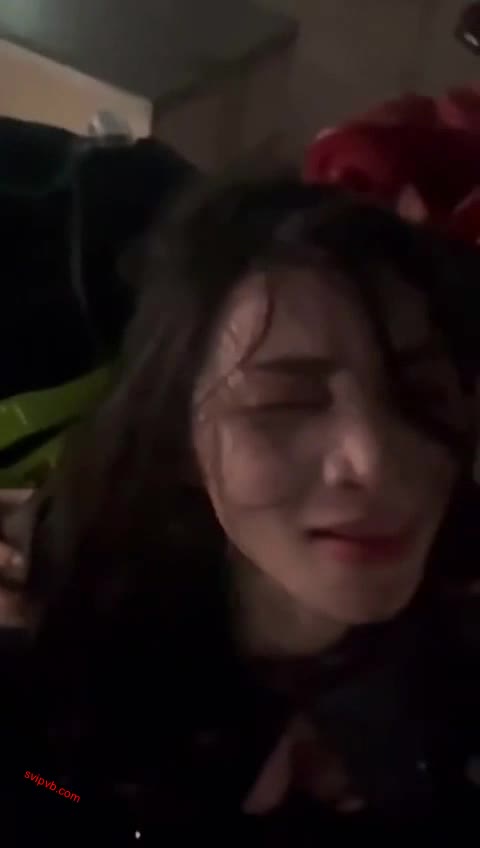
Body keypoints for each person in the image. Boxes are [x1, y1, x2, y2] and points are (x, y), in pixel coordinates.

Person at [5, 170, 480, 845]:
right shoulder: (63, 649)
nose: (373, 460)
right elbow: (40, 785)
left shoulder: (454, 628)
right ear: (178, 441)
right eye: (282, 403)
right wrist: (122, 811)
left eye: (421, 392)